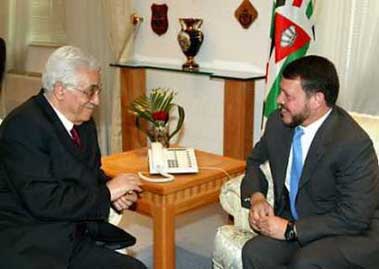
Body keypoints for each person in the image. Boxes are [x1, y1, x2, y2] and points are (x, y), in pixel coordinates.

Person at [0, 46, 146, 269]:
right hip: (33, 240)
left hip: (74, 233)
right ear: (60, 90)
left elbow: (89, 174)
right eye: (90, 91)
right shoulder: (22, 126)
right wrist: (107, 192)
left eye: (98, 90)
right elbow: (44, 201)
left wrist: (111, 193)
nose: (96, 100)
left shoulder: (83, 122)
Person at [240, 55, 379, 269]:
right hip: (301, 220)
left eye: (288, 95)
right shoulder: (279, 123)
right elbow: (255, 161)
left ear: (316, 100)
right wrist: (257, 197)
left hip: (349, 232)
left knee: (306, 263)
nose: (279, 100)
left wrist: (291, 229)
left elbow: (355, 216)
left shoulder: (352, 143)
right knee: (255, 252)